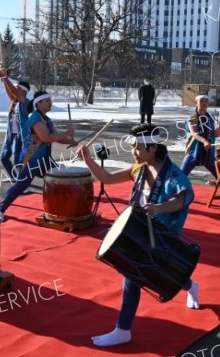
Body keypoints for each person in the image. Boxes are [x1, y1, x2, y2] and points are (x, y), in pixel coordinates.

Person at [76, 124, 198, 347]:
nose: (134, 152)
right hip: (141, 232)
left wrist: (159, 208)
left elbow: (184, 197)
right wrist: (88, 159)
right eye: (133, 147)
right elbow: (107, 178)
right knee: (143, 273)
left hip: (163, 234)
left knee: (133, 276)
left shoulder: (173, 174)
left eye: (138, 148)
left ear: (153, 148)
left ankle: (123, 329)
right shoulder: (138, 168)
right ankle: (189, 285)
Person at [0, 91, 76, 221]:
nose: (50, 103)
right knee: (20, 186)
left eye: (50, 100)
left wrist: (70, 141)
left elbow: (56, 137)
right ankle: (0, 209)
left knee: (59, 180)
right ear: (38, 103)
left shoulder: (47, 120)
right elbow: (46, 137)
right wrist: (67, 133)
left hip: (45, 160)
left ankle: (60, 209)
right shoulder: (35, 118)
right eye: (47, 101)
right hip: (31, 159)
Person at [180, 95, 220, 194]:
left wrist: (217, 128)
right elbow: (194, 133)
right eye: (201, 101)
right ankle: (171, 192)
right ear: (196, 103)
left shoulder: (211, 118)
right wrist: (204, 141)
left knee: (218, 173)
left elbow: (216, 135)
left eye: (206, 101)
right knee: (181, 174)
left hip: (208, 152)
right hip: (194, 151)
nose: (204, 103)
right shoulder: (192, 117)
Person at [0, 67, 30, 181]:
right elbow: (11, 91)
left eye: (18, 88)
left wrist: (6, 78)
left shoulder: (25, 102)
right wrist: (4, 79)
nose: (15, 90)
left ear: (23, 91)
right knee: (4, 157)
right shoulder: (14, 100)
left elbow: (14, 92)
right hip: (11, 134)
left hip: (20, 136)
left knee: (17, 160)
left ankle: (22, 183)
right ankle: (13, 177)